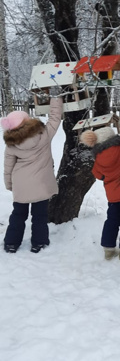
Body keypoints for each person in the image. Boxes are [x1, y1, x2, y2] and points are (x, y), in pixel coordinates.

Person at [1, 96, 63, 253]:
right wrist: (56, 99)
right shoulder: (43, 134)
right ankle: (39, 243)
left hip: (21, 184)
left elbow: (8, 167)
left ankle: (11, 243)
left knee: (18, 215)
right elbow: (55, 119)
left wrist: (10, 185)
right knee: (40, 216)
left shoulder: (12, 144)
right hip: (41, 184)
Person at [80, 109, 120, 261]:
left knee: (111, 221)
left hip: (112, 197)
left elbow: (98, 175)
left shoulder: (98, 157)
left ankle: (108, 248)